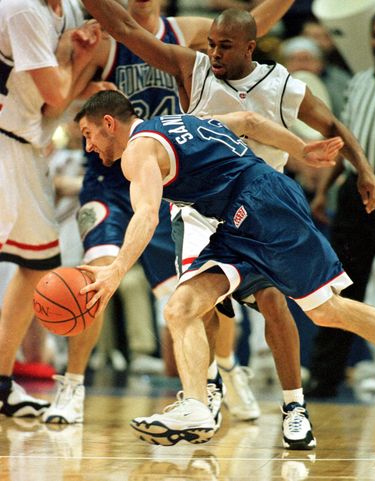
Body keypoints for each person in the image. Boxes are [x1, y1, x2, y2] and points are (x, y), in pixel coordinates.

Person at [81, 0, 375, 450]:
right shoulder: (182, 104)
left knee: (320, 309)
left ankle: (289, 403)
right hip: (220, 215)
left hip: (261, 200)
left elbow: (146, 214)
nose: (88, 147)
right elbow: (245, 120)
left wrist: (112, 272)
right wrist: (304, 151)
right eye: (212, 44)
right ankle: (201, 402)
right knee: (182, 308)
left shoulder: (141, 150)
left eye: (89, 136)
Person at [43, 0, 295, 427]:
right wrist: (83, 75)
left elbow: (252, 26)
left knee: (209, 295)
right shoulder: (104, 41)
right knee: (94, 277)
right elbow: (60, 106)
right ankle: (72, 385)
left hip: (172, 181)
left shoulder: (188, 33)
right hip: (110, 183)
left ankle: (229, 369)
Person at [0, 0, 105, 417]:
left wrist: (83, 71)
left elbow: (56, 107)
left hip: (23, 144)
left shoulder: (73, 11)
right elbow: (56, 93)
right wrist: (72, 54)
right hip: (3, 138)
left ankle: (2, 382)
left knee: (38, 262)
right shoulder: (23, 8)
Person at [307, 9, 375, 399]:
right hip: (353, 189)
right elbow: (344, 141)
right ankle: (325, 376)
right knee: (340, 288)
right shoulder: (358, 81)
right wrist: (325, 188)